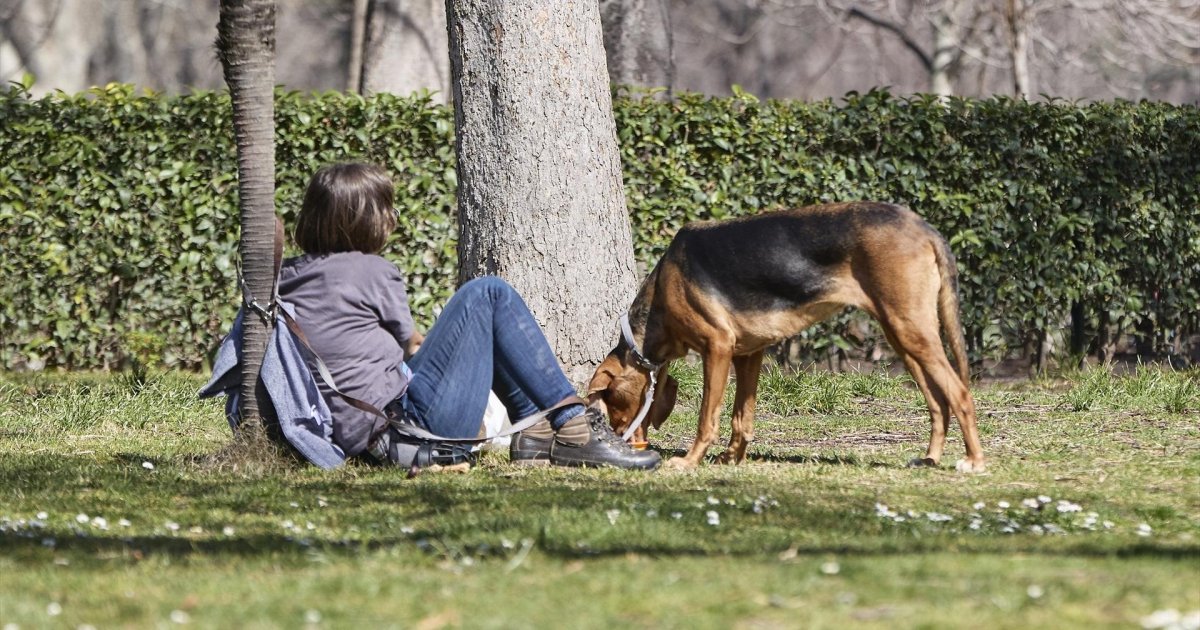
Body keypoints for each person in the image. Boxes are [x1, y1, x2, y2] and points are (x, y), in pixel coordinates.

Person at [277, 162, 660, 471]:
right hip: (411, 433)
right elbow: (410, 344)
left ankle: (535, 432)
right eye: (387, 209)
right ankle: (574, 427)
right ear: (368, 219)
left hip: (355, 436)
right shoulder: (371, 271)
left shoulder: (287, 278)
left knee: (480, 319)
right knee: (488, 294)